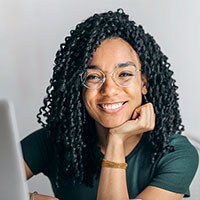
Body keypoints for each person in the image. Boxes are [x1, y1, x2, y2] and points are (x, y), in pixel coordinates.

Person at [21, 9, 199, 200]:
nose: (110, 90)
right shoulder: (54, 140)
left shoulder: (176, 154)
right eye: (93, 76)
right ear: (78, 87)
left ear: (144, 83)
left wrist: (116, 139)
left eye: (124, 74)